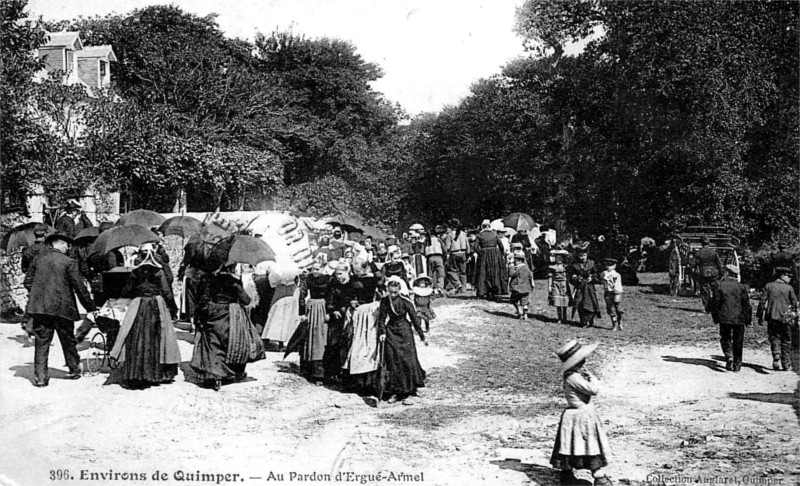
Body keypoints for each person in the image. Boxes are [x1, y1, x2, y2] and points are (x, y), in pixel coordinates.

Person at [24, 232, 97, 387]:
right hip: (63, 307)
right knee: (68, 340)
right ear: (61, 244)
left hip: (40, 308)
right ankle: (73, 369)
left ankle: (41, 378)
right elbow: (79, 287)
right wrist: (90, 307)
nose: (68, 247)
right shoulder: (69, 262)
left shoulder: (38, 260)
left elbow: (28, 281)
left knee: (42, 342)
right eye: (67, 245)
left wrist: (40, 293)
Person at [109, 245, 181, 389]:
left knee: (137, 336)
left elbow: (127, 290)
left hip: (139, 305)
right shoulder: (158, 271)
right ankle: (158, 373)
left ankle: (137, 373)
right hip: (156, 304)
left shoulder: (135, 272)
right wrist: (172, 307)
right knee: (160, 337)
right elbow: (166, 291)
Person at [191, 262, 266, 390]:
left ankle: (214, 375)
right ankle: (232, 372)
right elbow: (246, 301)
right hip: (230, 314)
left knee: (213, 342)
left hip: (212, 312)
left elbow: (201, 299)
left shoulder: (208, 280)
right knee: (233, 342)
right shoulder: (233, 281)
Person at [551, 340, 613, 486]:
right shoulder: (574, 378)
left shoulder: (574, 375)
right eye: (581, 361)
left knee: (571, 444)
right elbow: (594, 390)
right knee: (589, 445)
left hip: (579, 415)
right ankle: (599, 478)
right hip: (581, 416)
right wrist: (591, 376)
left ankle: (567, 475)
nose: (584, 362)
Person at [377, 276, 428, 405]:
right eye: (390, 292)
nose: (393, 295)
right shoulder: (384, 301)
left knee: (407, 360)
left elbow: (415, 319)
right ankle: (396, 391)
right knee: (393, 361)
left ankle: (410, 390)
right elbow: (381, 319)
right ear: (387, 290)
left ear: (399, 290)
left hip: (404, 332)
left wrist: (422, 336)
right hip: (391, 332)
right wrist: (382, 333)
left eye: (395, 292)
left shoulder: (405, 301)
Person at [343, 258, 381, 393]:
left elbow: (380, 276)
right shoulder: (352, 279)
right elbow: (347, 294)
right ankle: (356, 381)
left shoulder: (372, 279)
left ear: (365, 269)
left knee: (368, 344)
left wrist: (370, 261)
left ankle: (369, 382)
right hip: (356, 312)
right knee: (355, 344)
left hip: (368, 312)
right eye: (354, 270)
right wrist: (351, 302)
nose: (356, 272)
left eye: (358, 270)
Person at [707, 264, 752, 372]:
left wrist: (714, 314)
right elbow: (746, 304)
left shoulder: (720, 285)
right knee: (738, 341)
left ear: (726, 273)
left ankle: (729, 355)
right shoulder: (742, 287)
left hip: (724, 317)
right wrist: (748, 319)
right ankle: (737, 365)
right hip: (739, 318)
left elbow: (716, 302)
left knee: (725, 337)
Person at [757, 267, 798, 371]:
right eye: (788, 276)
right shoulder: (789, 288)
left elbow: (762, 302)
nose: (790, 279)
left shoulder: (769, 286)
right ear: (782, 276)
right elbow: (794, 304)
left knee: (774, 337)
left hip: (772, 317)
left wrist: (760, 316)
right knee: (786, 340)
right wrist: (796, 318)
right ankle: (786, 363)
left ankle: (776, 353)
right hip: (786, 318)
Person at [324, 261, 358, 383]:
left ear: (347, 271)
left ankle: (347, 374)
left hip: (349, 317)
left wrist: (343, 310)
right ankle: (333, 373)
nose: (338, 276)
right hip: (336, 318)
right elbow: (329, 299)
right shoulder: (333, 283)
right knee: (333, 344)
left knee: (348, 343)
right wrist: (332, 310)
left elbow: (353, 299)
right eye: (337, 274)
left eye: (340, 274)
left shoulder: (353, 283)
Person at [299, 261, 330, 382]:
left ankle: (321, 373)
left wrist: (328, 311)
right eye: (313, 269)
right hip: (311, 308)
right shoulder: (308, 279)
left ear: (323, 268)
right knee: (310, 338)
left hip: (323, 308)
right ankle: (308, 370)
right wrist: (302, 313)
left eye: (318, 269)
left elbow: (330, 295)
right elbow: (302, 295)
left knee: (321, 339)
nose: (315, 271)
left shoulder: (328, 279)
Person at [568, 247, 602, 328]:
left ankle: (591, 320)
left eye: (584, 255)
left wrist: (592, 278)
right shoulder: (575, 266)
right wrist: (575, 278)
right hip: (580, 287)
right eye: (580, 255)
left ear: (587, 255)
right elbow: (571, 276)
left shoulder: (591, 264)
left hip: (589, 287)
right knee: (580, 303)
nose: (582, 257)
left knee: (590, 303)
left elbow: (597, 275)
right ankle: (583, 321)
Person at [475, 220, 508, 300]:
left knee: (484, 273)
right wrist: (500, 255)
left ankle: (483, 292)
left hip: (484, 255)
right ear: (489, 226)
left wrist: (481, 253)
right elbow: (501, 246)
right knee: (496, 273)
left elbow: (475, 247)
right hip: (495, 255)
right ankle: (497, 291)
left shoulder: (479, 235)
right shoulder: (495, 234)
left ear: (482, 226)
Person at [694, 236, 723, 311]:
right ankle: (716, 307)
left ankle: (707, 307)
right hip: (713, 273)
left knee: (704, 291)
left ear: (701, 243)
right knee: (715, 290)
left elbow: (694, 264)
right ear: (709, 243)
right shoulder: (714, 252)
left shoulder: (698, 253)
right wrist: (721, 273)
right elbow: (719, 264)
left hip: (703, 273)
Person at [444, 218, 468, 293]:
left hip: (454, 253)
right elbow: (467, 245)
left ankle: (457, 284)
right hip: (463, 253)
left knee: (452, 271)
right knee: (463, 272)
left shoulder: (450, 235)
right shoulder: (463, 233)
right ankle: (464, 288)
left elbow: (447, 247)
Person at [509, 250, 534, 320]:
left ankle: (519, 311)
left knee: (514, 300)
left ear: (519, 260)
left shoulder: (516, 268)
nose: (514, 261)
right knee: (525, 302)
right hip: (525, 288)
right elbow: (530, 276)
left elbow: (511, 274)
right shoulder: (526, 268)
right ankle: (525, 314)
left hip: (517, 288)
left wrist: (510, 266)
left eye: (515, 259)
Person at [600, 258, 624, 331]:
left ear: (614, 266)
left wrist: (616, 290)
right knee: (611, 309)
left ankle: (620, 322)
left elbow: (617, 285)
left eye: (610, 265)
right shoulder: (604, 273)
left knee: (618, 308)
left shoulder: (616, 274)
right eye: (607, 265)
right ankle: (614, 324)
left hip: (616, 292)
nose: (608, 267)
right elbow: (601, 280)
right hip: (608, 292)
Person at [548, 250, 571, 324]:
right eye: (557, 258)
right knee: (557, 301)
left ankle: (565, 317)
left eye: (560, 258)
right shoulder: (552, 267)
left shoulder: (566, 266)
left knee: (564, 301)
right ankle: (559, 318)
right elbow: (550, 277)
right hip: (556, 284)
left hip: (564, 284)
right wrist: (549, 285)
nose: (559, 259)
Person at [425, 226, 447, 296]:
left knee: (430, 275)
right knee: (440, 274)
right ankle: (440, 288)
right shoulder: (438, 240)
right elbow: (444, 249)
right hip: (438, 257)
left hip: (430, 257)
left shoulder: (427, 241)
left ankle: (432, 288)